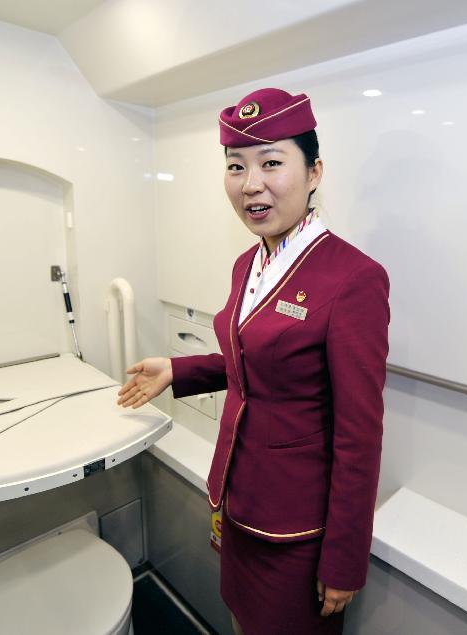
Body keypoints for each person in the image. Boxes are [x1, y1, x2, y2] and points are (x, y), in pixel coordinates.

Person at [117, 87, 390, 634]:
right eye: (236, 166)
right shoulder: (249, 263)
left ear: (314, 172)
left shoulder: (353, 279)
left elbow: (360, 435)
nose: (251, 184)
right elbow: (256, 363)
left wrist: (343, 559)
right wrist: (179, 369)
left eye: (271, 163)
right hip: (236, 499)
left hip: (296, 531)